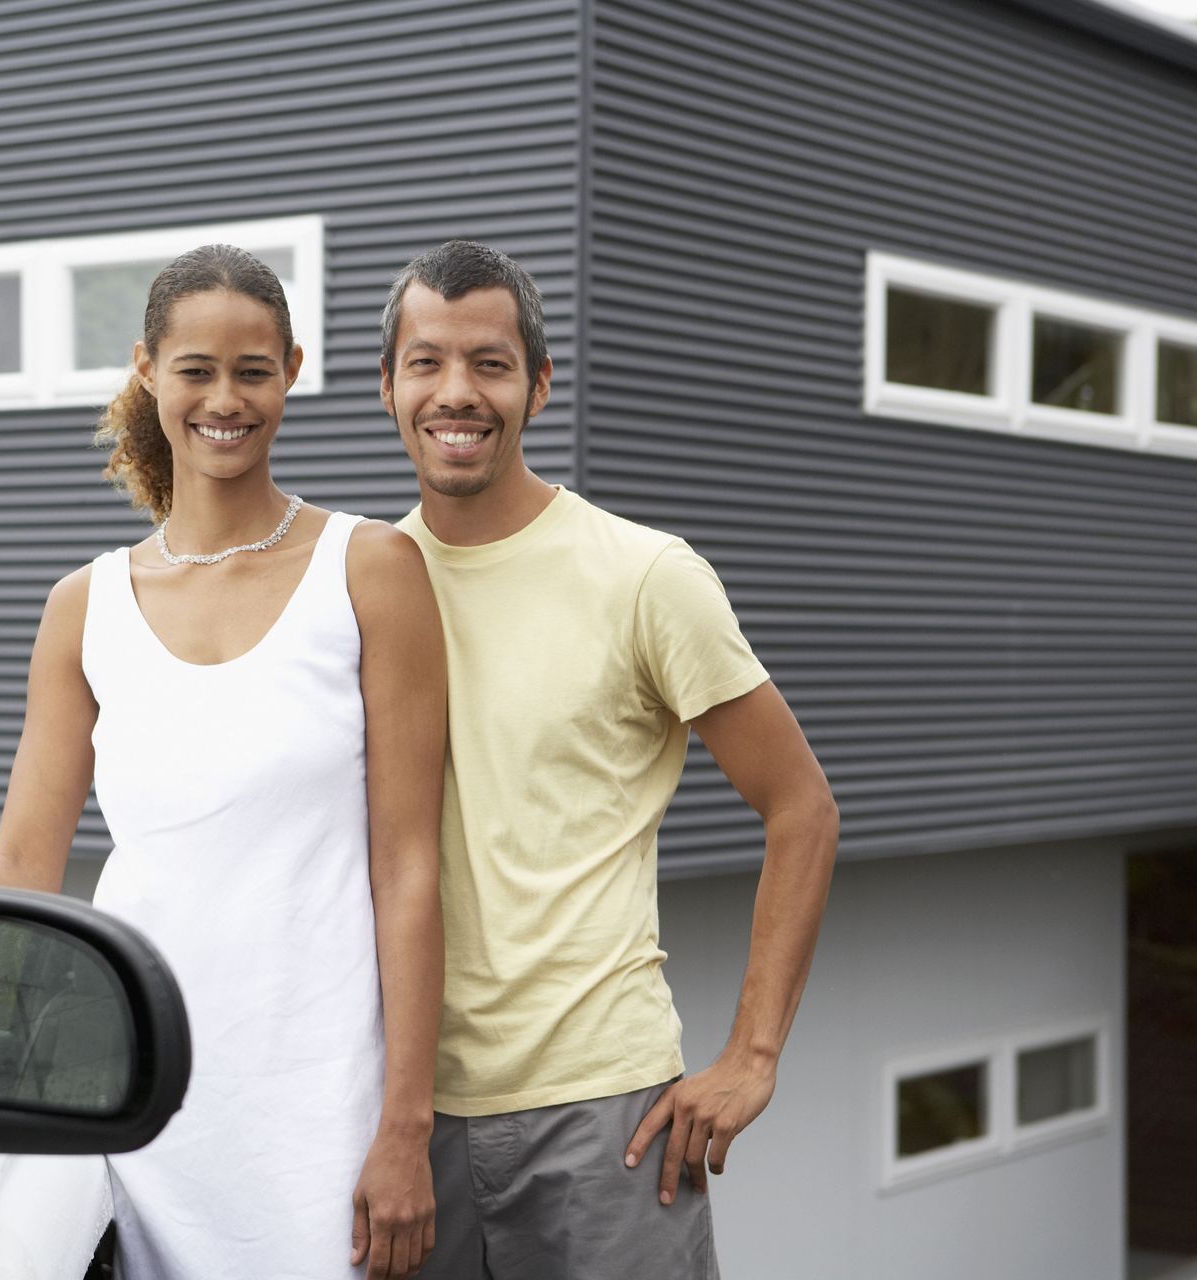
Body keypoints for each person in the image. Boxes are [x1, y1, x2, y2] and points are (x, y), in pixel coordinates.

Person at [0, 245, 447, 1280]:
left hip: (324, 1105)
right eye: (196, 369)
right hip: (140, 1099)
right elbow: (21, 864)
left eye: (252, 370)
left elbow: (412, 866)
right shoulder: (83, 606)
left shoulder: (369, 569)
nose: (224, 399)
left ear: (291, 367)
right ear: (148, 369)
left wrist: (405, 1124)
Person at [379, 241, 839, 1279]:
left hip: (605, 1117)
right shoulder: (364, 585)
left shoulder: (644, 575)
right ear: (388, 384)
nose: (458, 392)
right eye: (428, 361)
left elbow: (801, 808)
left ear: (539, 384)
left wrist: (754, 1055)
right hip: (404, 1112)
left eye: (490, 363)